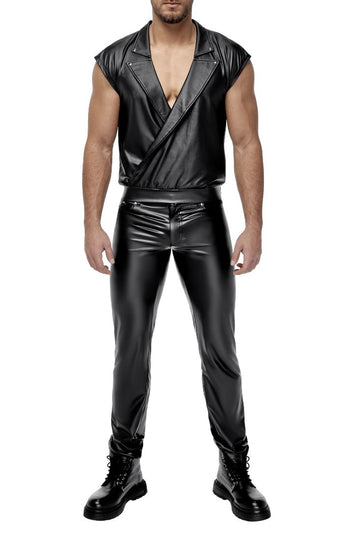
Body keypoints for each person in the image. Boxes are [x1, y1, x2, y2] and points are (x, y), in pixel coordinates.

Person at [82, 0, 271, 522]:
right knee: (130, 346)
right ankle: (125, 466)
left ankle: (233, 467)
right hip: (138, 214)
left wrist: (253, 225)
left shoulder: (229, 58)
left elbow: (246, 141)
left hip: (203, 212)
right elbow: (99, 144)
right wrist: (91, 222)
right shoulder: (114, 61)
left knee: (220, 343)